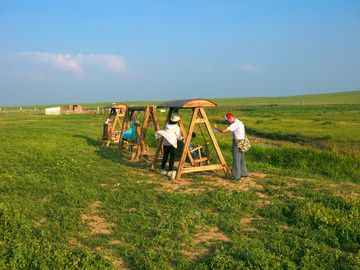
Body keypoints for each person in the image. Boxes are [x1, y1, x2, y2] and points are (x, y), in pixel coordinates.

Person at [213, 113, 248, 181]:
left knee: (236, 159)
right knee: (241, 159)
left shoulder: (235, 124)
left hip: (237, 142)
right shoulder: (239, 121)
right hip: (242, 142)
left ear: (230, 118)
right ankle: (244, 174)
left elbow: (223, 131)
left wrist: (216, 128)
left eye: (228, 120)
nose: (228, 122)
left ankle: (237, 177)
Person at [155, 113, 183, 179]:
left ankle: (162, 170)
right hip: (172, 143)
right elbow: (179, 137)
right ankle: (170, 172)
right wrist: (183, 138)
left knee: (165, 156)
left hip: (166, 142)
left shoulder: (167, 125)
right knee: (172, 157)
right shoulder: (177, 127)